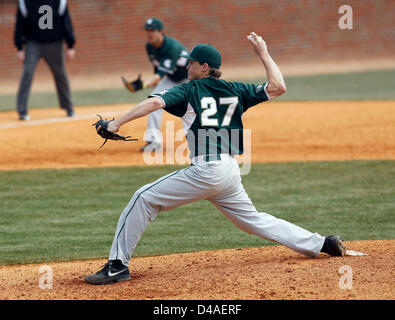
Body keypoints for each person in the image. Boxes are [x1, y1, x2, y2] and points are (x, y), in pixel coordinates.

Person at [85, 32, 346, 285]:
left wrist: (116, 123)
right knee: (254, 220)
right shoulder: (236, 89)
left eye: (192, 62)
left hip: (206, 170)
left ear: (205, 66)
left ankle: (116, 266)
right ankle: (322, 243)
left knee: (143, 198)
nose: (187, 66)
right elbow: (278, 87)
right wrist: (264, 53)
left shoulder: (189, 90)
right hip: (231, 171)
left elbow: (154, 103)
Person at [123, 17, 189, 152]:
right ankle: (153, 141)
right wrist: (152, 84)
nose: (149, 33)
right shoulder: (150, 46)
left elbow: (160, 75)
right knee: (153, 100)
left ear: (160, 31)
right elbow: (157, 67)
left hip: (190, 79)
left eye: (152, 30)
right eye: (147, 30)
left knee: (194, 107)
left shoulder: (171, 47)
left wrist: (142, 85)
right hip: (172, 78)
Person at [14, 0, 76, 120]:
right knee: (27, 73)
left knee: (61, 74)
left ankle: (69, 107)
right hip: (33, 43)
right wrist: (19, 47)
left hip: (55, 43)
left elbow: (66, 22)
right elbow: (20, 24)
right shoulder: (25, 2)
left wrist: (70, 45)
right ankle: (22, 111)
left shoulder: (60, 1)